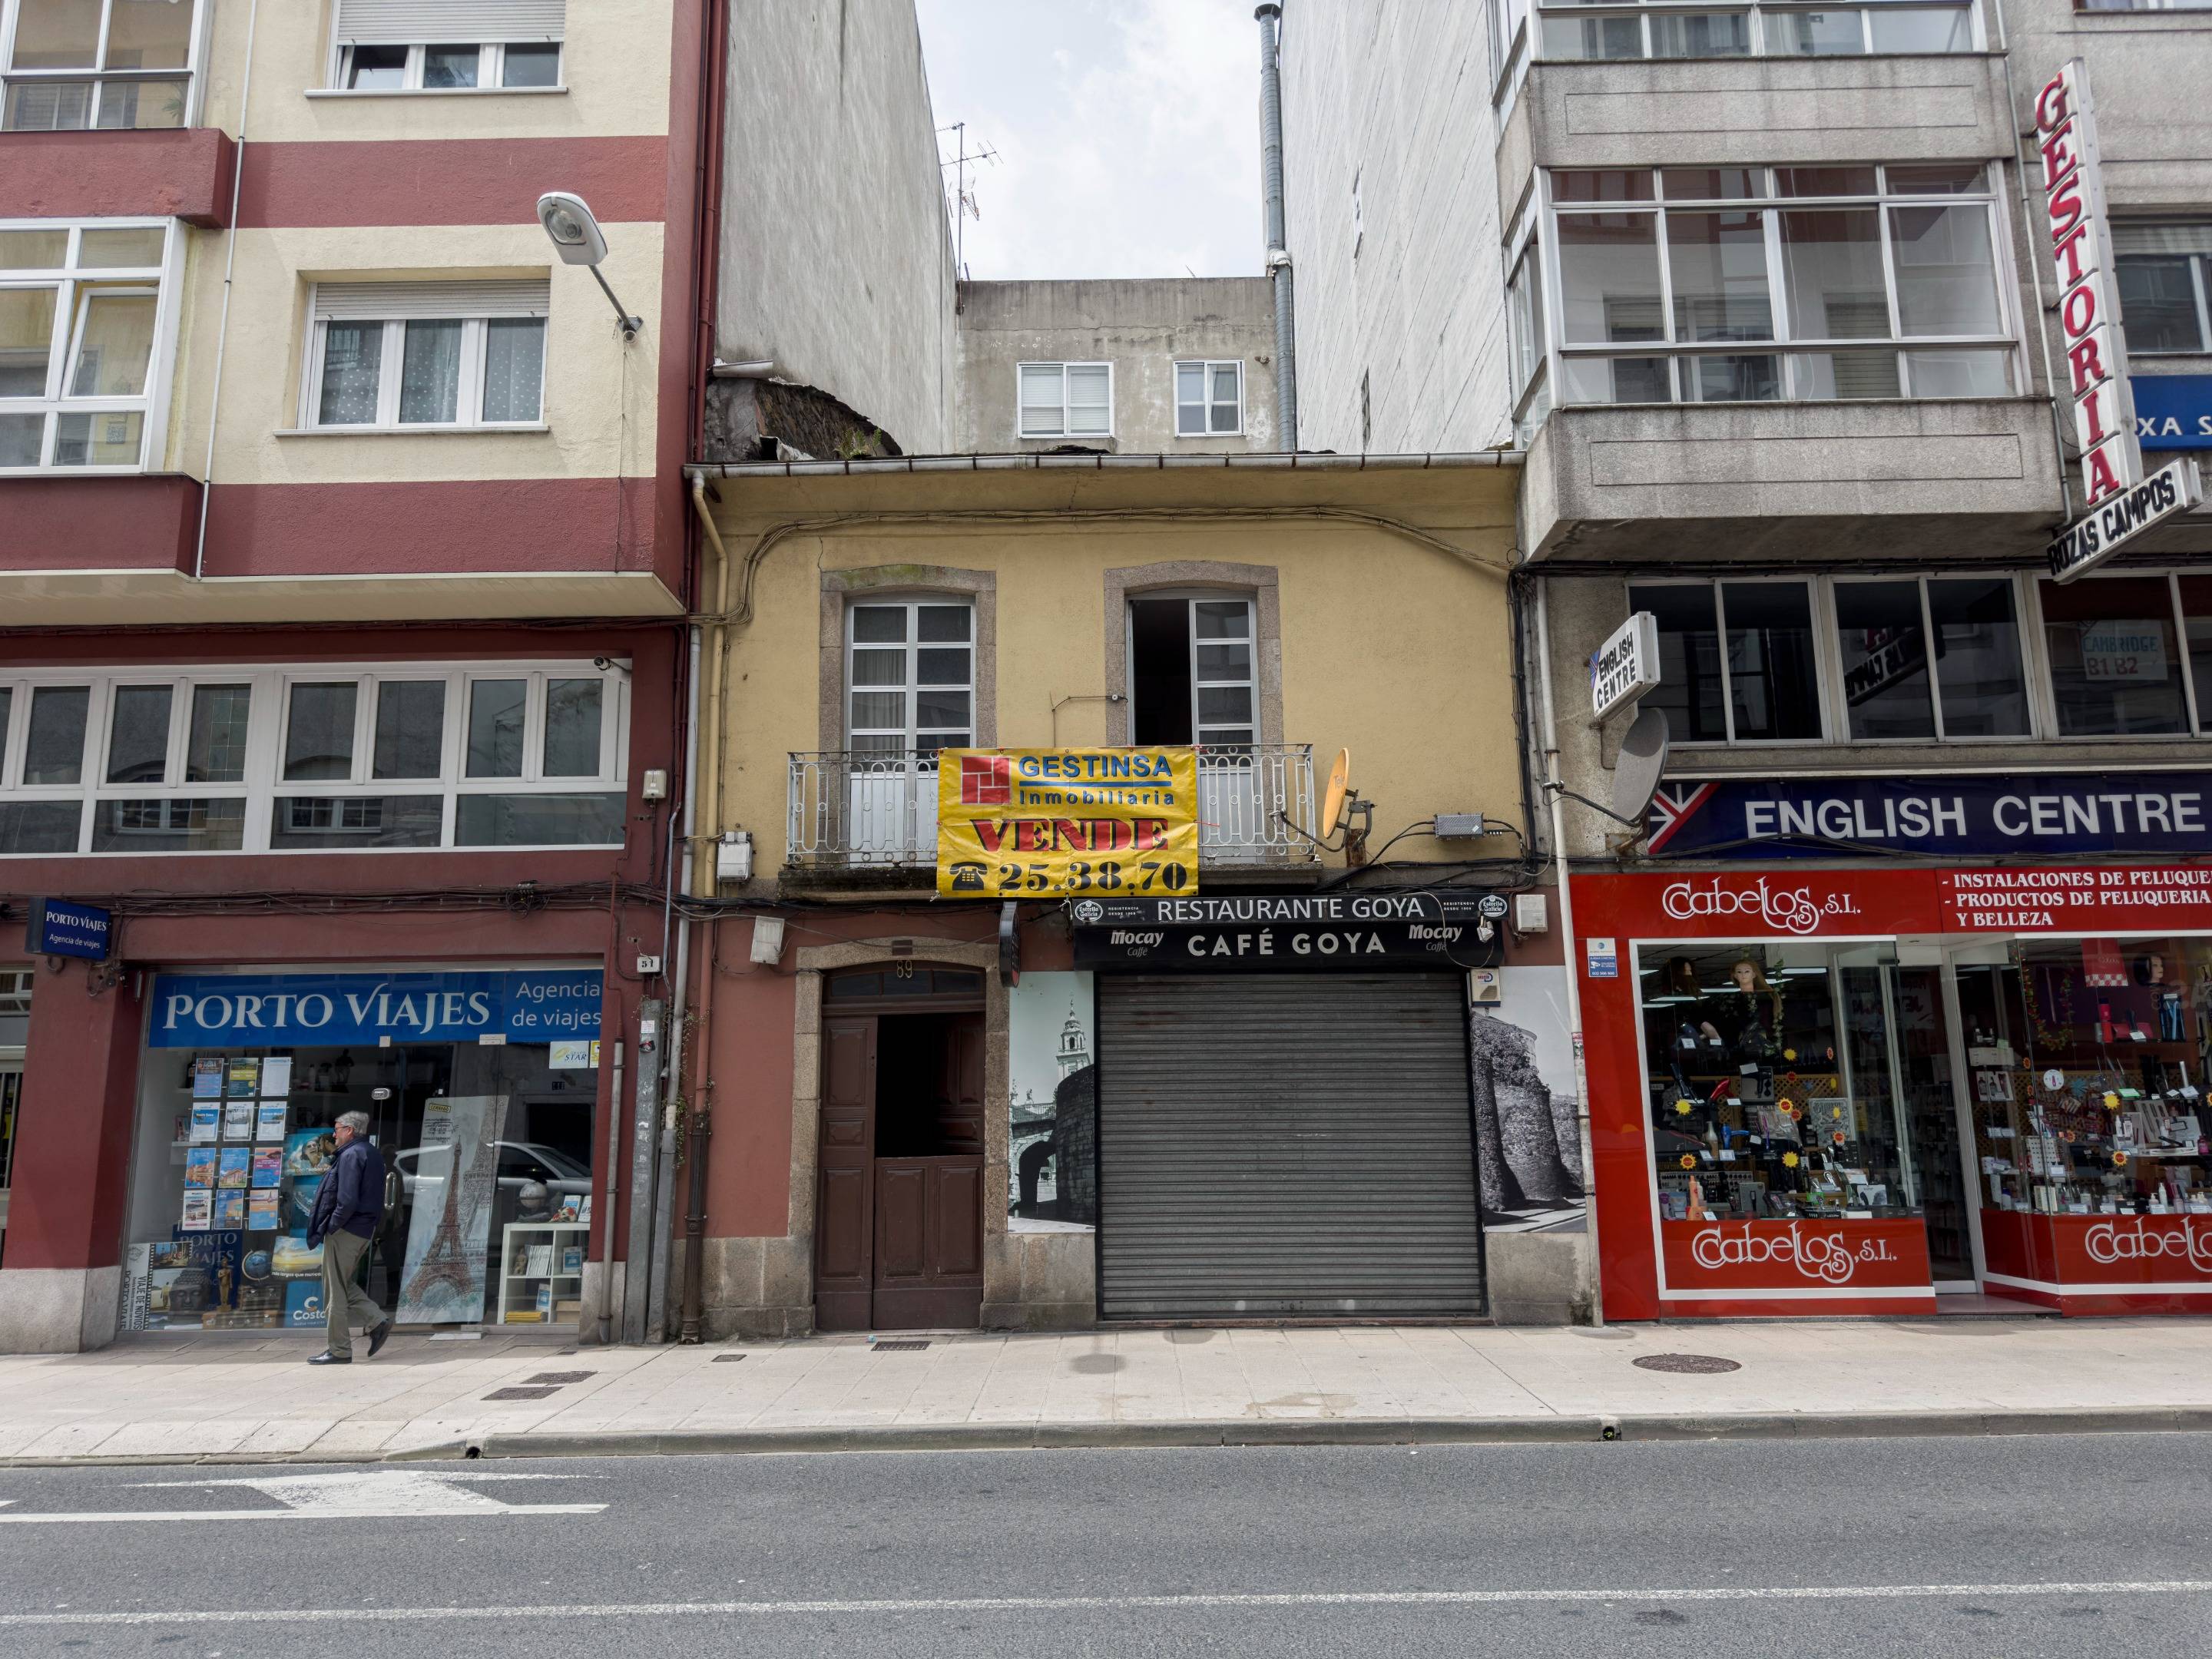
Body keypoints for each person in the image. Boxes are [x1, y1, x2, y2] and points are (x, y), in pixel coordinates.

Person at [306, 1111, 392, 1365]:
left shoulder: (352, 1155)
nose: (334, 1134)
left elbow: (347, 1199)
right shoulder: (370, 1153)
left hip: (347, 1230)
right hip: (362, 1230)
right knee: (341, 1283)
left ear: (350, 1130)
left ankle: (339, 1349)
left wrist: (333, 1226)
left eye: (338, 1128)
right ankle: (376, 1321)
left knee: (334, 1290)